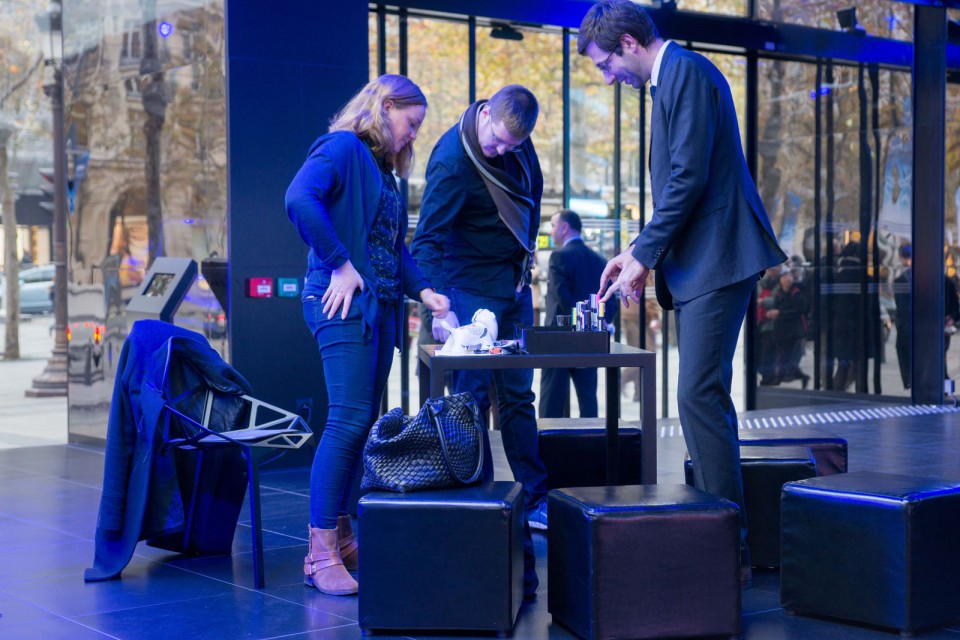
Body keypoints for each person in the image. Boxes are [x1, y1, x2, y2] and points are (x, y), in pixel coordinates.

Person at [578, 0, 787, 586]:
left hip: (721, 257)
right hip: (704, 260)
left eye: (603, 65)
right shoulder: (672, 80)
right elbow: (681, 182)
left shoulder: (687, 73)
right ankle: (721, 536)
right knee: (699, 396)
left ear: (626, 44)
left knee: (697, 393)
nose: (607, 77)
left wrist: (644, 256)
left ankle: (730, 550)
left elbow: (691, 178)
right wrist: (636, 250)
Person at [285, 74, 451, 596]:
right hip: (340, 303)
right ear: (384, 107)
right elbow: (299, 198)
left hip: (377, 308)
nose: (413, 136)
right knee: (348, 420)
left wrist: (425, 293)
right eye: (411, 123)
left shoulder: (383, 173)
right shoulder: (342, 147)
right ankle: (319, 552)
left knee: (364, 423)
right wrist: (338, 263)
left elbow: (394, 248)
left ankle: (345, 535)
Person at [411, 84, 547, 596]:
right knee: (468, 399)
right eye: (497, 143)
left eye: (513, 145)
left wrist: (522, 274)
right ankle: (477, 498)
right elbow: (425, 239)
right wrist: (436, 303)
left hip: (512, 287)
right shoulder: (451, 161)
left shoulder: (516, 140)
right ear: (484, 113)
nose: (502, 151)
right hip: (467, 290)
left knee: (518, 397)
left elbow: (528, 201)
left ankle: (535, 499)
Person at [539, 209, 609, 417]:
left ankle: (548, 445)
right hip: (589, 339)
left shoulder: (559, 256)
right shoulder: (598, 259)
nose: (551, 231)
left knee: (552, 401)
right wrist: (598, 322)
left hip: (558, 340)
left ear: (564, 227)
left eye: (552, 225)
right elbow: (608, 298)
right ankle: (592, 445)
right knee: (588, 400)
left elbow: (562, 297)